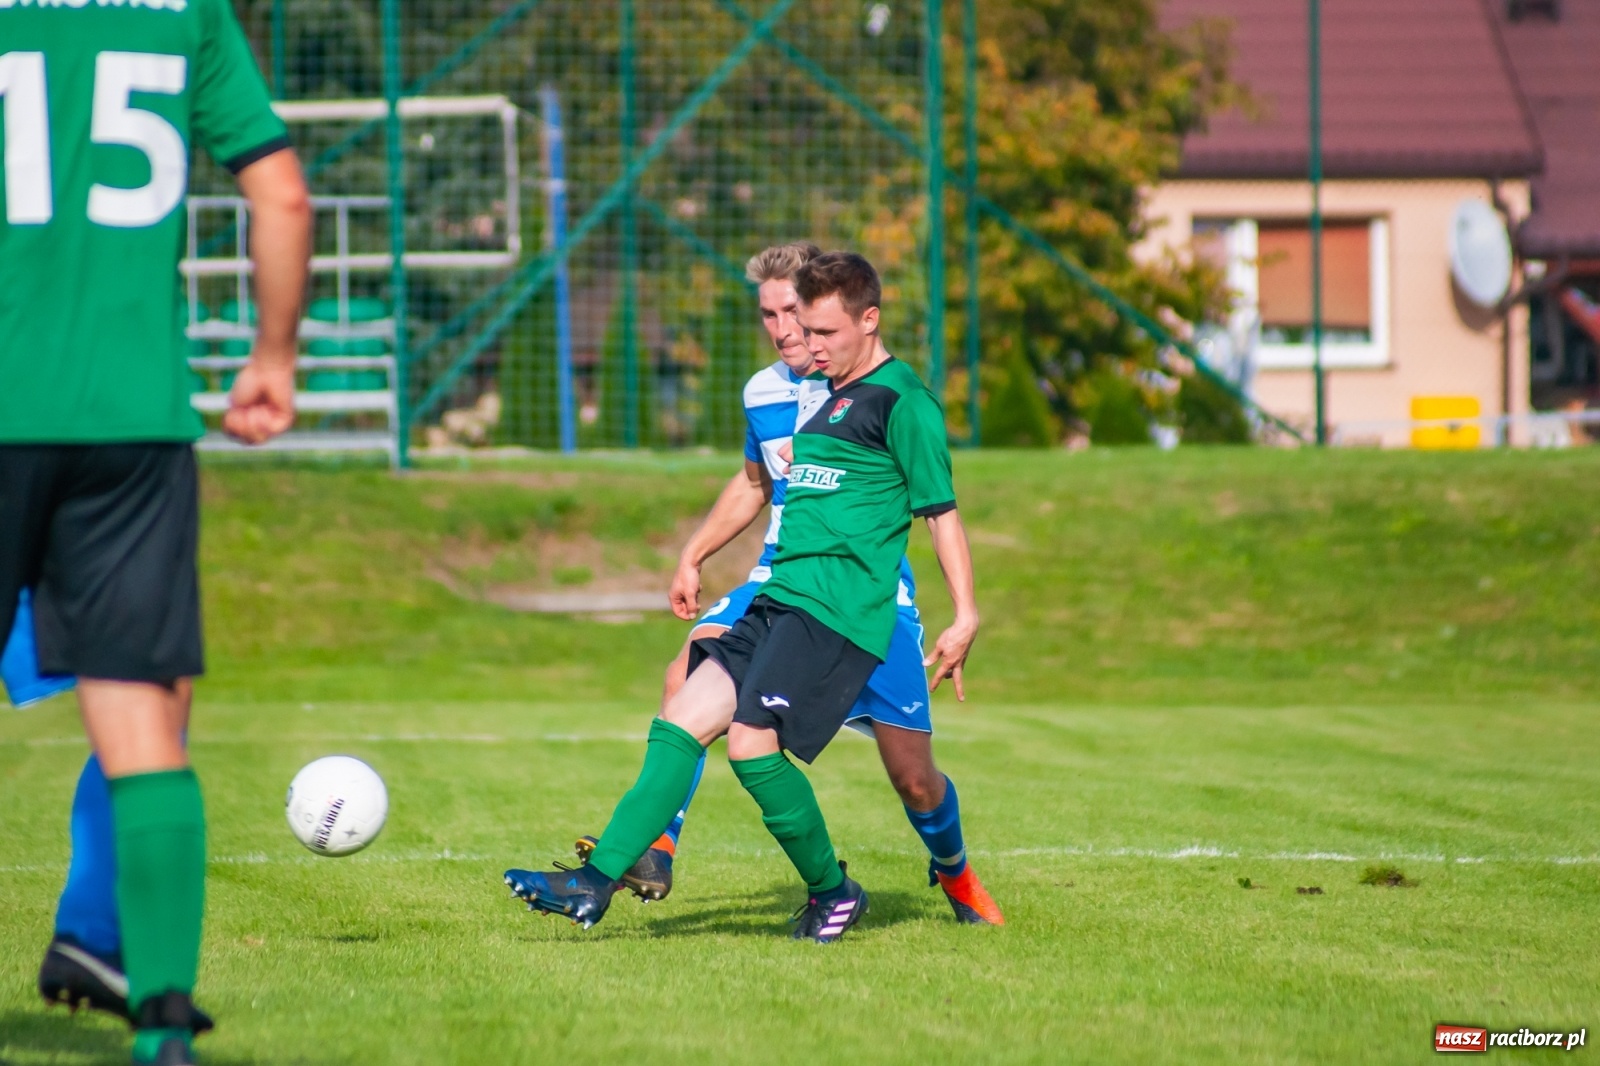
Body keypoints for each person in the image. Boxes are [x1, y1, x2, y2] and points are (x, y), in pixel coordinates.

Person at [0, 0, 313, 1058]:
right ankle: (162, 1018)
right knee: (143, 718)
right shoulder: (186, 14)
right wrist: (272, 358)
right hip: (131, 420)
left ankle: (96, 944)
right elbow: (282, 193)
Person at [506, 252, 982, 942]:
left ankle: (837, 891)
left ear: (868, 320)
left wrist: (965, 614)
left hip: (837, 612)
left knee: (790, 755)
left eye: (819, 329)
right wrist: (699, 553)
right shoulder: (817, 398)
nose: (804, 343)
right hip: (778, 597)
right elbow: (762, 485)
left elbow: (941, 513)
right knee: (685, 711)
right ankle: (595, 881)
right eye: (792, 324)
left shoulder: (902, 401)